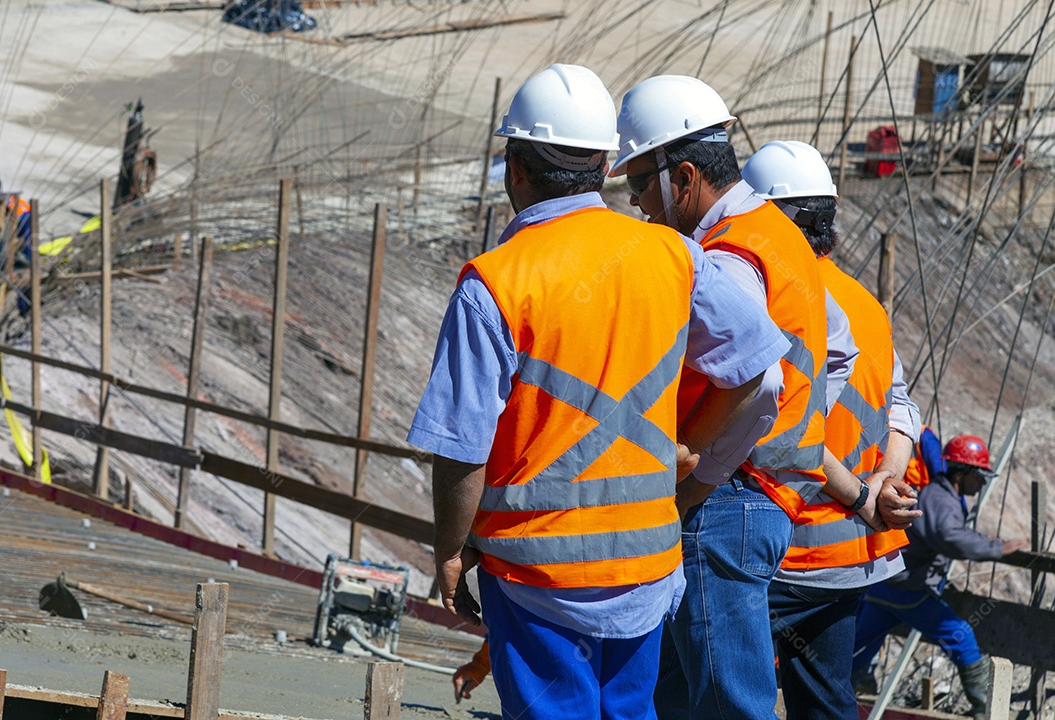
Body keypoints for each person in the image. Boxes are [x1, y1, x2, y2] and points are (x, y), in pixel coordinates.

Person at [407, 64, 788, 720]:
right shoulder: (672, 255)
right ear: (608, 165)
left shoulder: (496, 282)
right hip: (645, 566)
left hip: (536, 578)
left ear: (515, 168)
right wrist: (690, 446)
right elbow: (755, 364)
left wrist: (448, 548)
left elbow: (462, 447)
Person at [742, 140, 923, 719]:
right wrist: (886, 483)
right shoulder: (866, 305)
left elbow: (784, 431)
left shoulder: (783, 300)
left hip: (782, 551)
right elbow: (899, 407)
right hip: (850, 558)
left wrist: (867, 495)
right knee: (826, 705)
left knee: (709, 691)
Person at [852, 434, 1030, 718]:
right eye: (980, 475)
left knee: (863, 639)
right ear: (963, 473)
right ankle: (985, 706)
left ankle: (845, 689)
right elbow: (949, 538)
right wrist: (997, 548)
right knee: (960, 636)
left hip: (888, 585)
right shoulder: (942, 499)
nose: (983, 482)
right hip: (908, 589)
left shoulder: (940, 495)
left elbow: (949, 533)